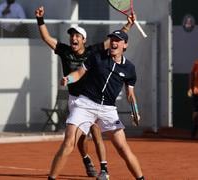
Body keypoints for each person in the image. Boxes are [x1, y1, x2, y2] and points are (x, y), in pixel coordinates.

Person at [35, 6, 135, 180]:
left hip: (93, 98)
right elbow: (46, 38)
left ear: (83, 40)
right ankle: (87, 160)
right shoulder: (64, 51)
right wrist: (40, 19)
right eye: (71, 35)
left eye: (77, 36)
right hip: (76, 100)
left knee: (96, 133)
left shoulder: (93, 52)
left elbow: (114, 41)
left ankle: (103, 169)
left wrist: (128, 25)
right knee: (78, 140)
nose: (73, 38)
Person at [59, 30, 145, 180]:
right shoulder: (98, 56)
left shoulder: (129, 68)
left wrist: (135, 111)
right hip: (84, 102)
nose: (113, 42)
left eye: (118, 40)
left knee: (120, 146)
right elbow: (78, 74)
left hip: (107, 109)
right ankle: (90, 163)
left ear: (125, 45)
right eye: (112, 39)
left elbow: (130, 94)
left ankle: (105, 170)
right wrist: (69, 79)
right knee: (75, 141)